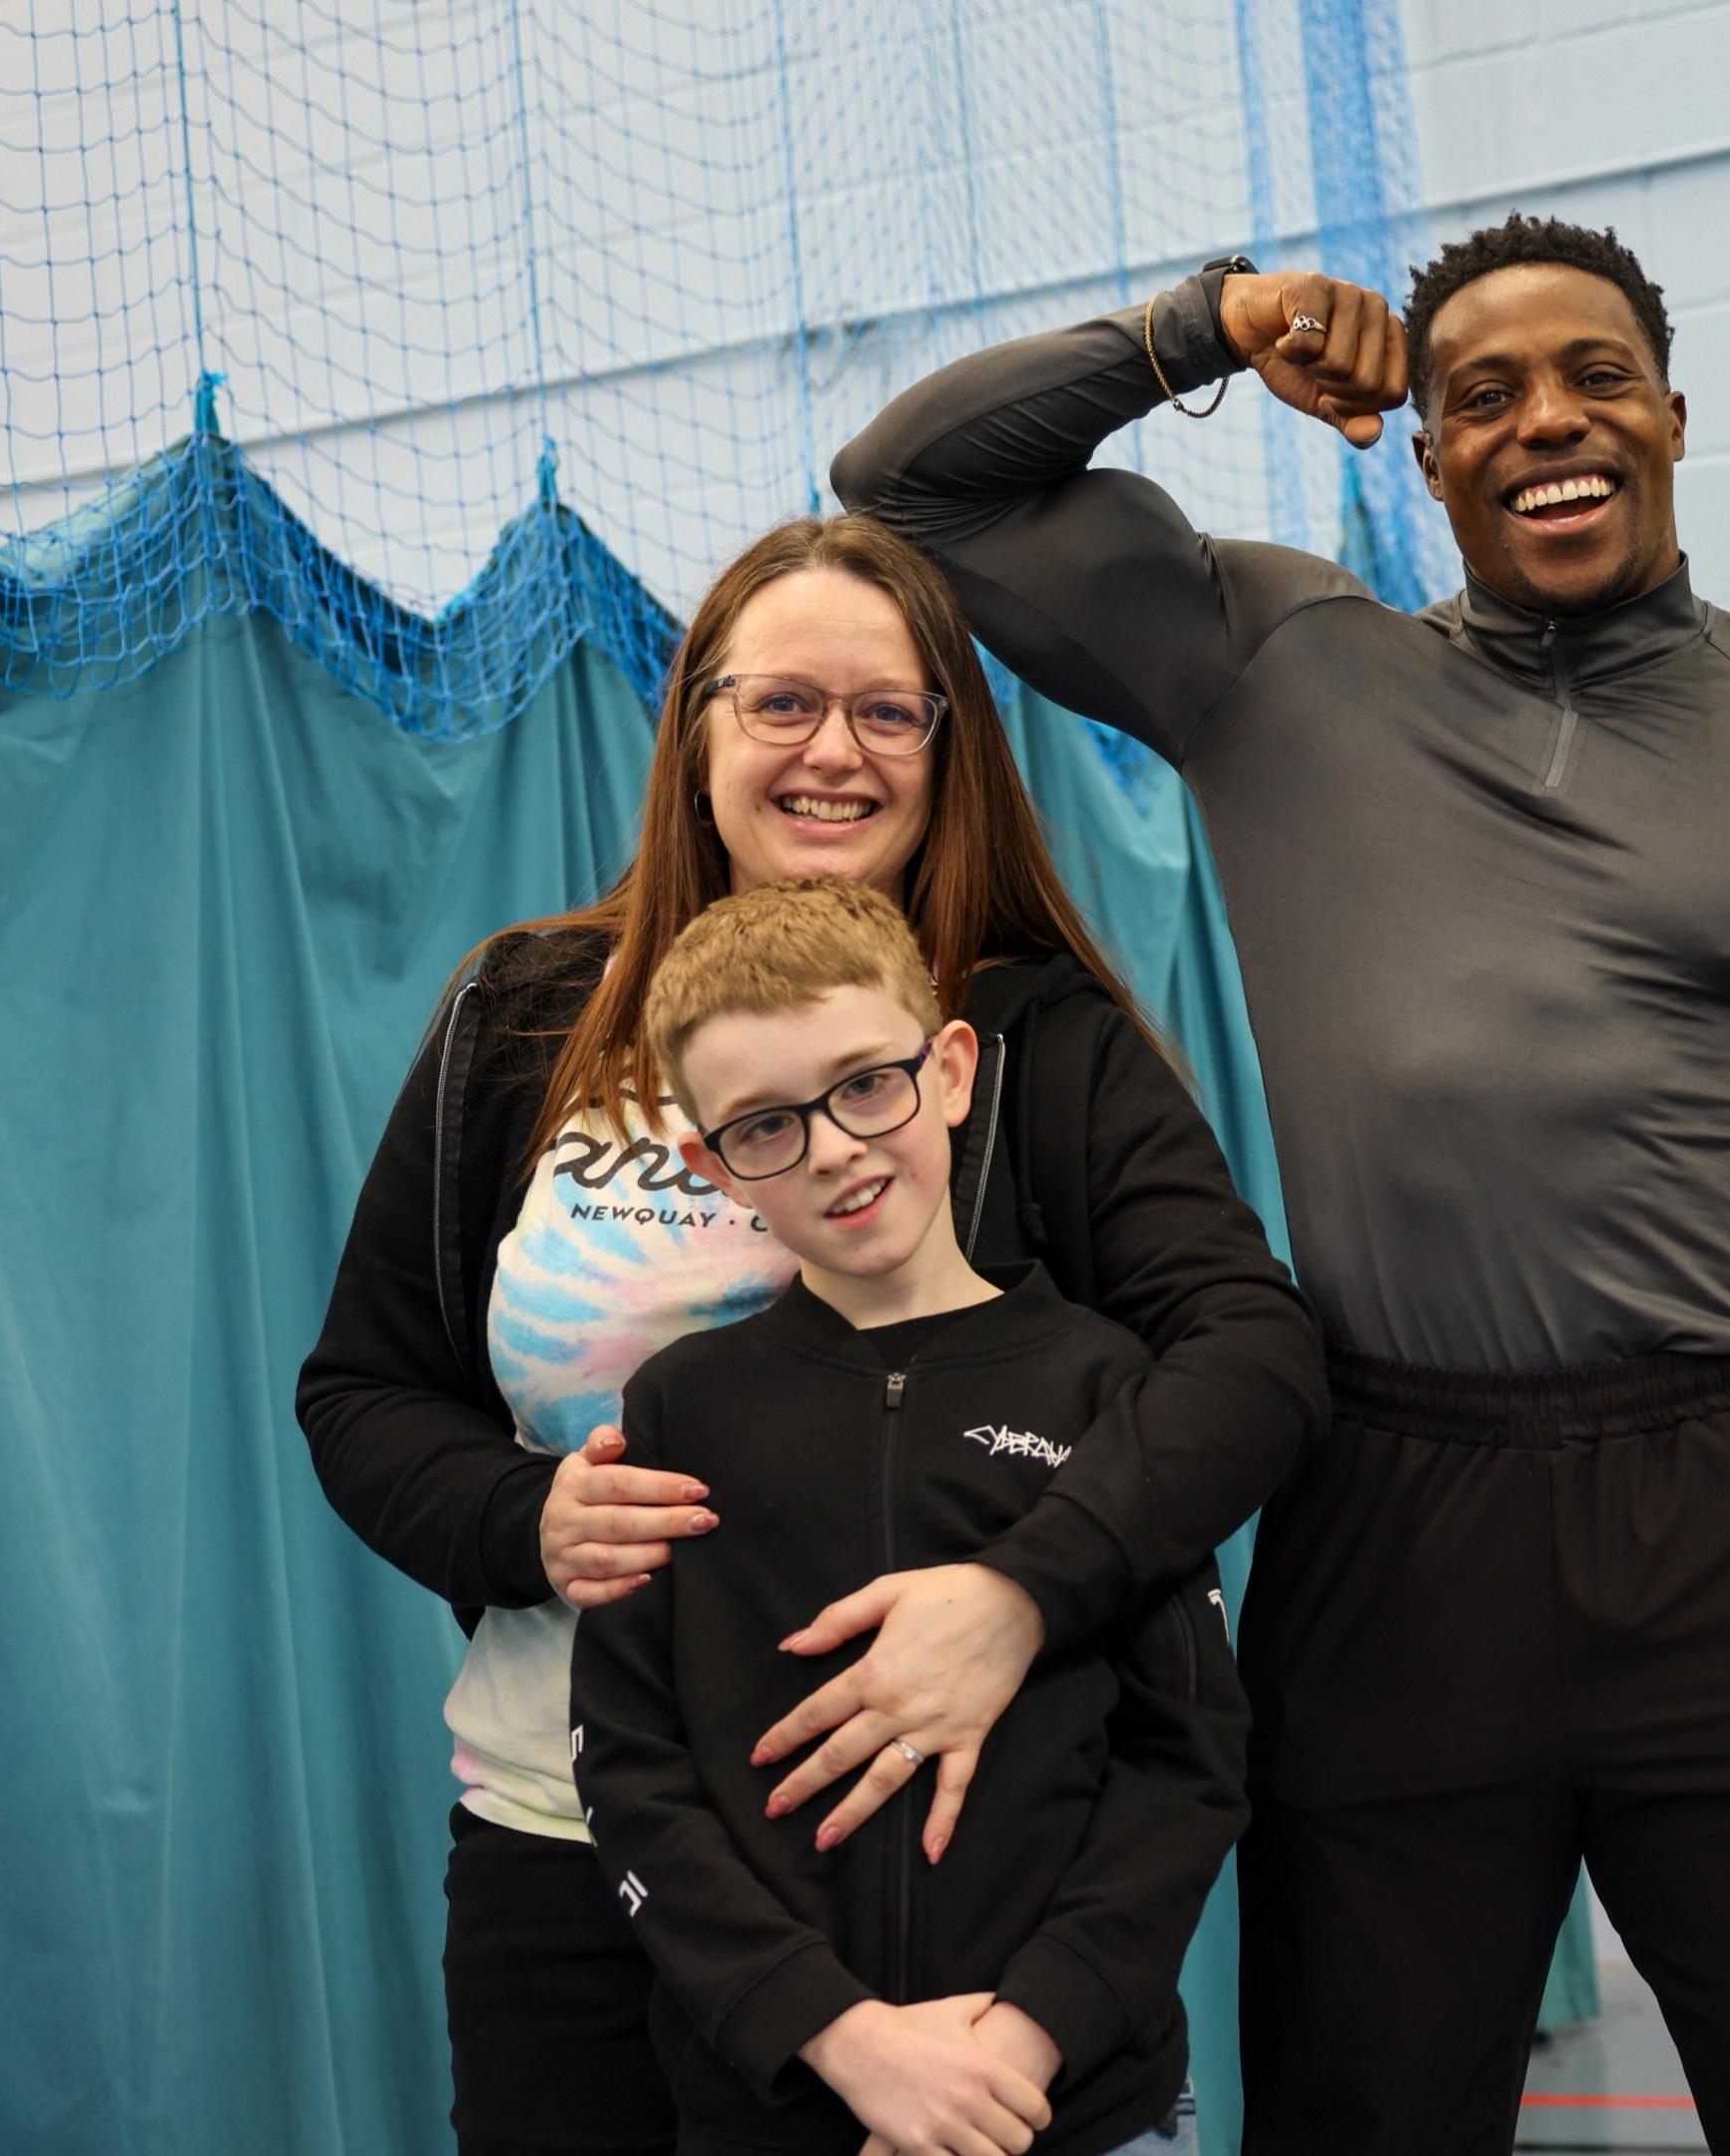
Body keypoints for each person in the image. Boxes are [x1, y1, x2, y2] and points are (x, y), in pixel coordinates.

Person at [837, 215, 1730, 2154]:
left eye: (1595, 377)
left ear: (1674, 415)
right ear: (1421, 449)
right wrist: (1199, 328)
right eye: (1481, 393)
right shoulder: (1276, 668)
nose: (1546, 424)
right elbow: (907, 484)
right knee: (1366, 2114)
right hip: (1392, 1505)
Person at [293, 515, 1321, 2156]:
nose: (831, 752)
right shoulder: (521, 1015)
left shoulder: (1037, 1045)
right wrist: (524, 1519)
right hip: (576, 1848)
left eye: (888, 710)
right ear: (699, 725)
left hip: (933, 1885)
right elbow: (363, 1391)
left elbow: (1248, 1362)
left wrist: (1016, 1592)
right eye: (781, 703)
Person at [573, 876, 1243, 2156]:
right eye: (766, 1126)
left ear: (948, 1070)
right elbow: (629, 1766)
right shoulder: (680, 1411)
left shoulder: (1109, 1390)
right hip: (779, 2106)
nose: (831, 1146)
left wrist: (1017, 2049)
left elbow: (1189, 1763)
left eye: (864, 1085)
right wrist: (845, 2040)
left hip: (1069, 2105)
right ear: (712, 1165)